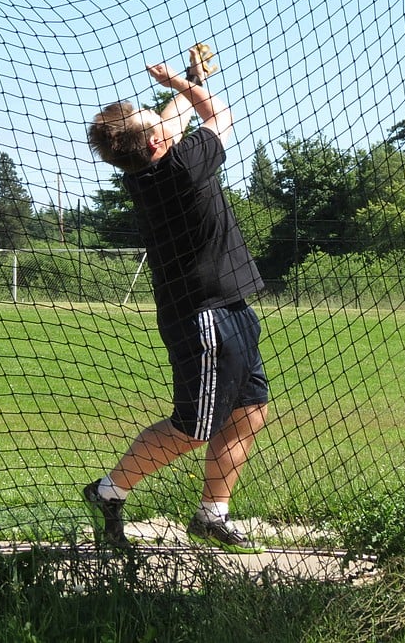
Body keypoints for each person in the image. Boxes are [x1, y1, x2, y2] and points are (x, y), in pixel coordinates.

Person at [83, 43, 269, 553]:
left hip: (229, 307)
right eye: (159, 125)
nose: (167, 123)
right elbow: (217, 113)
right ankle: (109, 491)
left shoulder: (152, 164)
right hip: (204, 318)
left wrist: (185, 78)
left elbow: (175, 119)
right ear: (157, 145)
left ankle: (212, 514)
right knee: (192, 428)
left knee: (249, 411)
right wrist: (184, 86)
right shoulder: (184, 168)